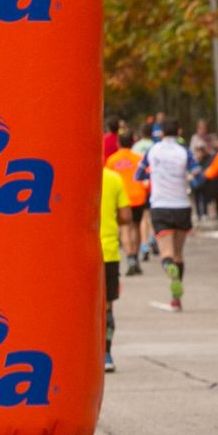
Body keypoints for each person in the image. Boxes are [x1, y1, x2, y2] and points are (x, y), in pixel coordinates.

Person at [138, 121, 201, 310]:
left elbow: (138, 175)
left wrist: (153, 175)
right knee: (179, 254)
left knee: (167, 253)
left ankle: (168, 266)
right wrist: (188, 179)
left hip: (160, 205)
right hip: (181, 205)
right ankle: (176, 298)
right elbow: (198, 176)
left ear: (161, 133)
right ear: (179, 131)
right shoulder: (184, 151)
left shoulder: (153, 151)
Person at [105, 127, 148, 275]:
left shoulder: (112, 160)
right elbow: (145, 176)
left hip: (121, 198)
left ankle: (129, 258)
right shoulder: (138, 159)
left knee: (124, 229)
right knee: (136, 227)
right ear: (133, 142)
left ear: (118, 143)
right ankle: (135, 256)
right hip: (137, 196)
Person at [100, 154, 126, 373]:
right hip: (108, 252)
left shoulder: (76, 179)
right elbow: (126, 216)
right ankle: (106, 354)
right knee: (107, 305)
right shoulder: (113, 178)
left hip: (81, 255)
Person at [190, 120, 218, 226]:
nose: (202, 130)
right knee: (197, 192)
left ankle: (210, 212)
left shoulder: (211, 137)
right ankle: (199, 213)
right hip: (198, 167)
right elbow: (192, 152)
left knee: (209, 192)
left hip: (209, 165)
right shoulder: (195, 138)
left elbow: (216, 149)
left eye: (204, 128)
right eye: (200, 128)